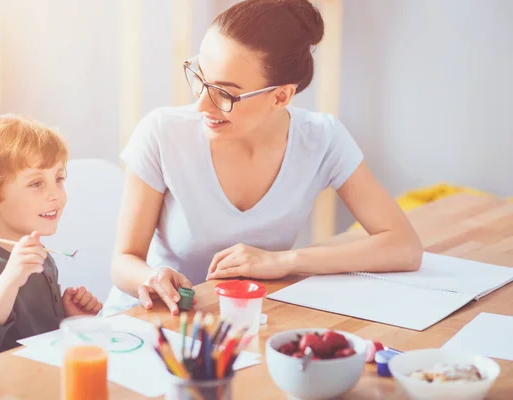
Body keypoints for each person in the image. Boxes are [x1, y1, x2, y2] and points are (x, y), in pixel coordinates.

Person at [109, 0, 422, 315]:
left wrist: (284, 261)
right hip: (151, 321)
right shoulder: (162, 133)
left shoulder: (322, 139)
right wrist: (151, 276)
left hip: (244, 321)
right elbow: (123, 262)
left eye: (225, 93)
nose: (203, 105)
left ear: (281, 96)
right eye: (200, 77)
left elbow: (404, 247)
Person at [0, 115, 103, 369]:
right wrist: (10, 279)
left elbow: (35, 338)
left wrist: (66, 317)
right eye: (36, 183)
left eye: (58, 179)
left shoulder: (39, 257)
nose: (55, 195)